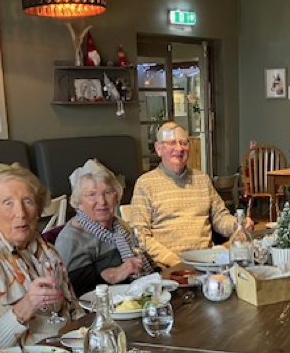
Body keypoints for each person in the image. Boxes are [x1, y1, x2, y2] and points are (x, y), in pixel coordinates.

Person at [0, 163, 83, 353]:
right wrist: (26, 306)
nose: (20, 213)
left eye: (28, 201)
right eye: (8, 202)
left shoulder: (47, 253)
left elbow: (74, 313)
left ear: (38, 209)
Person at [130, 123, 250, 267]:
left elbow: (220, 217)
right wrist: (173, 261)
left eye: (183, 143)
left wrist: (238, 225)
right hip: (167, 266)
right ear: (158, 149)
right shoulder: (145, 184)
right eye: (172, 143)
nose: (179, 149)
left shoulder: (202, 180)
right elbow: (140, 236)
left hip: (207, 260)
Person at [55, 159, 151, 296]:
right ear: (79, 202)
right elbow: (73, 290)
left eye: (108, 192)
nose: (102, 202)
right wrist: (110, 275)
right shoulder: (71, 240)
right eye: (91, 194)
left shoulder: (119, 226)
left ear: (117, 196)